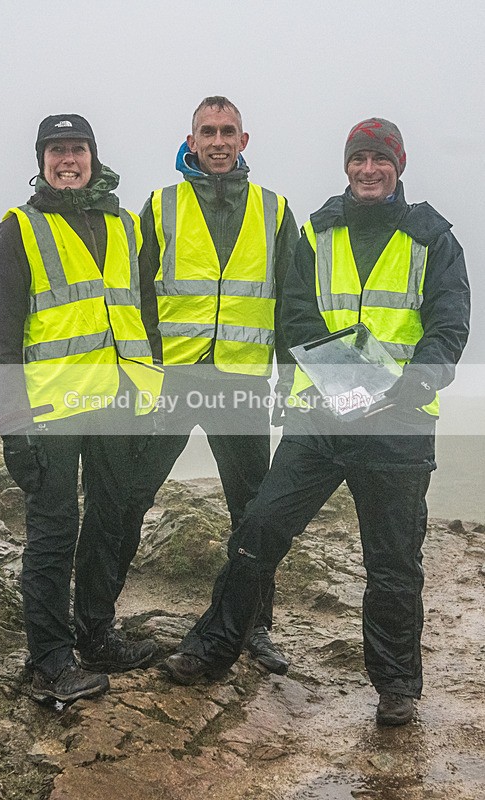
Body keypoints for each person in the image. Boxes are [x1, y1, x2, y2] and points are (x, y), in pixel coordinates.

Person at [163, 117, 471, 726]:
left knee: (392, 564)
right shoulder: (317, 232)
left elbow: (448, 330)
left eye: (379, 160)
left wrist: (403, 389)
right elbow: (295, 318)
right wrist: (349, 385)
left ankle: (396, 686)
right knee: (258, 530)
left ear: (397, 166)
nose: (368, 170)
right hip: (320, 419)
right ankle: (215, 645)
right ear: (347, 165)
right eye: (359, 159)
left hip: (398, 427)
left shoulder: (436, 239)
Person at [0, 114, 164, 703]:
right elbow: (0, 342)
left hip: (117, 406)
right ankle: (51, 660)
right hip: (51, 413)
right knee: (54, 535)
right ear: (41, 161)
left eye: (78, 149)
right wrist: (14, 430)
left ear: (93, 156)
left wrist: (150, 399)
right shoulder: (19, 229)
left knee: (111, 523)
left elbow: (146, 320)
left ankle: (96, 633)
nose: (68, 160)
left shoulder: (127, 226)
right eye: (57, 150)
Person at [115, 96, 298, 674]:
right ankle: (96, 626)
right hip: (172, 379)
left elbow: (294, 305)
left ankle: (254, 627)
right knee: (128, 495)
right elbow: (135, 295)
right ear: (191, 140)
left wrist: (293, 388)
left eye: (227, 132)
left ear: (244, 141)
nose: (217, 141)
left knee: (253, 509)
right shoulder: (160, 205)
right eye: (206, 132)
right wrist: (141, 372)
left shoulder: (275, 210)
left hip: (242, 381)